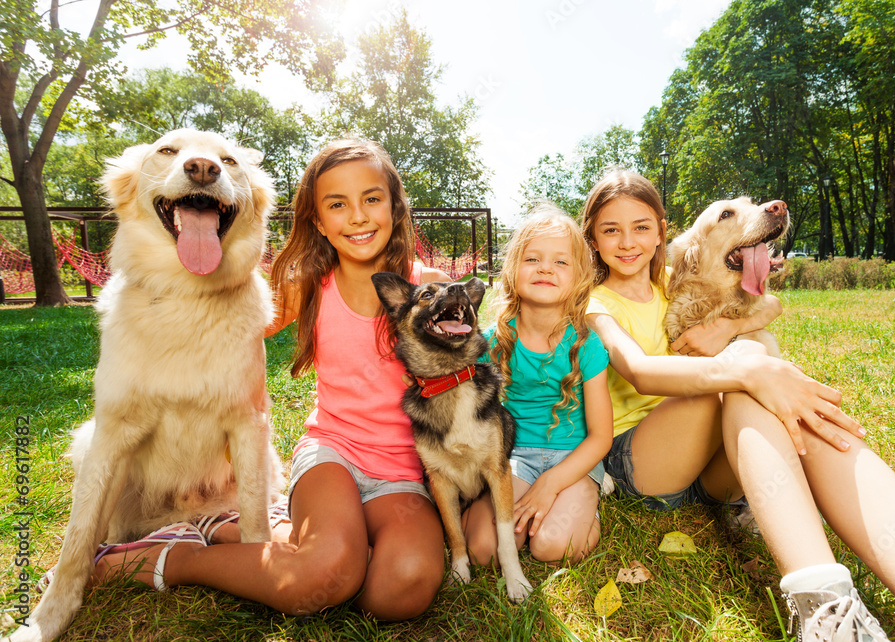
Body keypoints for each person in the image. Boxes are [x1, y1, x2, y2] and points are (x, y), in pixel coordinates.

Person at [580, 169, 895, 641]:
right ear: (593, 240)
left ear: (661, 231)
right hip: (645, 460)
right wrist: (747, 366)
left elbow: (768, 304)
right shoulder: (595, 303)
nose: (628, 241)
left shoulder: (676, 279)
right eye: (611, 230)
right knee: (752, 372)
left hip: (715, 467)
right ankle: (822, 607)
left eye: (641, 227)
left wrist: (729, 333)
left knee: (781, 393)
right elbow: (638, 369)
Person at [90, 139, 448, 621]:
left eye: (372, 199)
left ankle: (230, 529)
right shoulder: (308, 285)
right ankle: (176, 557)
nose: (358, 217)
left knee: (398, 591)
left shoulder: (430, 287)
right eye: (337, 204)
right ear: (318, 221)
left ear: (395, 206)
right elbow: (226, 325)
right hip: (333, 456)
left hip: (402, 474)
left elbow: (470, 377)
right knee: (323, 576)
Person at [463, 205, 613, 565]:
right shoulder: (493, 342)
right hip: (513, 458)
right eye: (533, 258)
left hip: (573, 459)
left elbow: (601, 437)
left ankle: (587, 504)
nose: (546, 268)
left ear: (579, 277)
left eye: (561, 262)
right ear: (513, 270)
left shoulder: (586, 345)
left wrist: (551, 484)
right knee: (486, 549)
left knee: (550, 546)